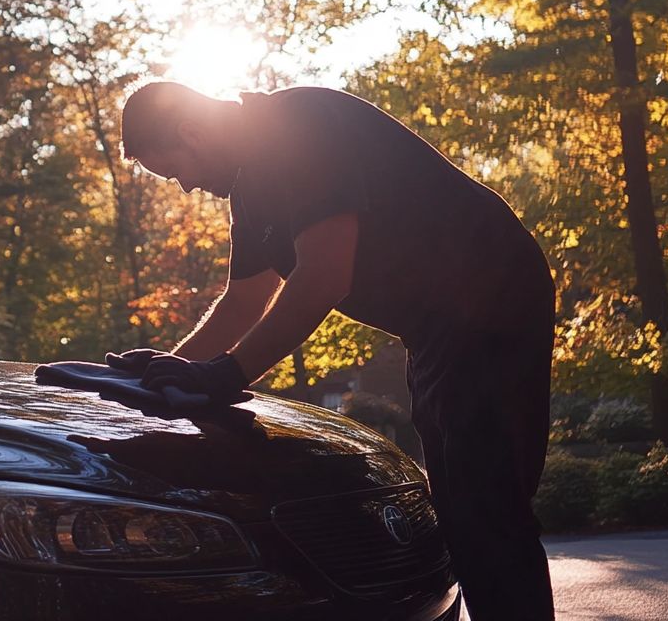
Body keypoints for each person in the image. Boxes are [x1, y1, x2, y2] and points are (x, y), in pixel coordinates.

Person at [110, 81, 555, 621]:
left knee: (484, 506)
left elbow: (323, 276)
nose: (185, 187)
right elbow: (244, 298)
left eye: (177, 171)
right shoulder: (250, 188)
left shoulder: (297, 127)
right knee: (461, 506)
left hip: (492, 296)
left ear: (192, 131)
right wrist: (164, 369)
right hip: (435, 329)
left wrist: (228, 373)